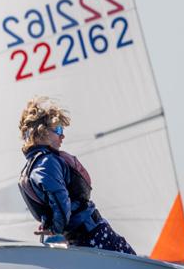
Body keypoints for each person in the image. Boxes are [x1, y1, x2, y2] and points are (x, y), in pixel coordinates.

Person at [17, 97, 135, 254]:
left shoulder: (36, 166)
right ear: (41, 132)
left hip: (83, 238)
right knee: (132, 262)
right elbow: (60, 201)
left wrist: (53, 227)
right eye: (58, 130)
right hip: (93, 235)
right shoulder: (46, 163)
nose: (62, 136)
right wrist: (55, 229)